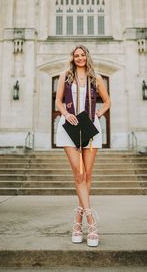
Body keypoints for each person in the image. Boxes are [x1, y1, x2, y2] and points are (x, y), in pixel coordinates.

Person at [55, 45, 111, 247]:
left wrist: (99, 113)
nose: (79, 58)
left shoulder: (95, 78)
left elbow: (107, 101)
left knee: (87, 175)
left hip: (89, 126)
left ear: (87, 56)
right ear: (72, 57)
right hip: (69, 127)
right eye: (76, 55)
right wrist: (66, 113)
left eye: (82, 54)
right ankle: (91, 222)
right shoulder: (64, 76)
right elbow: (58, 101)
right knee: (78, 175)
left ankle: (77, 223)